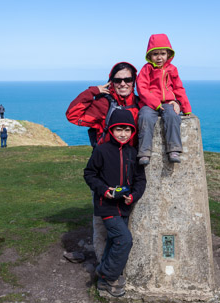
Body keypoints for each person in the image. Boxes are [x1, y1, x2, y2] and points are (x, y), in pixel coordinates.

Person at [66, 62, 140, 262]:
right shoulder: (103, 104)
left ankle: (119, 267)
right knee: (102, 224)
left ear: (134, 81)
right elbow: (72, 115)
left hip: (131, 171)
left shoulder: (141, 105)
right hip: (105, 172)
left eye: (128, 79)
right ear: (111, 82)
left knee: (128, 221)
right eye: (118, 80)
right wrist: (93, 91)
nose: (123, 83)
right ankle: (103, 266)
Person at [84, 109, 146, 297]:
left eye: (127, 130)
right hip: (107, 206)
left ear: (132, 132)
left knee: (114, 241)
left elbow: (140, 180)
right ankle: (107, 274)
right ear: (111, 130)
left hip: (124, 207)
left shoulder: (133, 153)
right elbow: (89, 174)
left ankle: (104, 281)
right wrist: (104, 190)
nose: (123, 134)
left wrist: (133, 195)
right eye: (119, 129)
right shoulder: (101, 151)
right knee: (124, 240)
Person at [137, 33, 192, 165]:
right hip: (149, 104)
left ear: (168, 54)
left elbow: (179, 88)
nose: (159, 57)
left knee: (173, 116)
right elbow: (141, 88)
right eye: (155, 54)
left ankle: (174, 149)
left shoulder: (172, 69)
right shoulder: (146, 69)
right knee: (145, 117)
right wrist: (155, 103)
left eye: (162, 53)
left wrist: (186, 107)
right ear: (149, 56)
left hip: (168, 102)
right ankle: (144, 152)